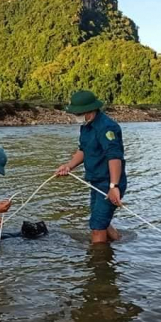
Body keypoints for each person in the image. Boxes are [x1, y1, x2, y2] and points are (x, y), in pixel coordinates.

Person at [55, 90, 127, 243]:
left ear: (89, 110)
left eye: (78, 113)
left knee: (96, 227)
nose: (76, 116)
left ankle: (98, 262)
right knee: (99, 219)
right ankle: (120, 242)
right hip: (96, 181)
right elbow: (83, 150)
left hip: (109, 183)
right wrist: (69, 166)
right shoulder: (86, 126)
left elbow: (114, 157)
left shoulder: (107, 128)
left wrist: (114, 187)